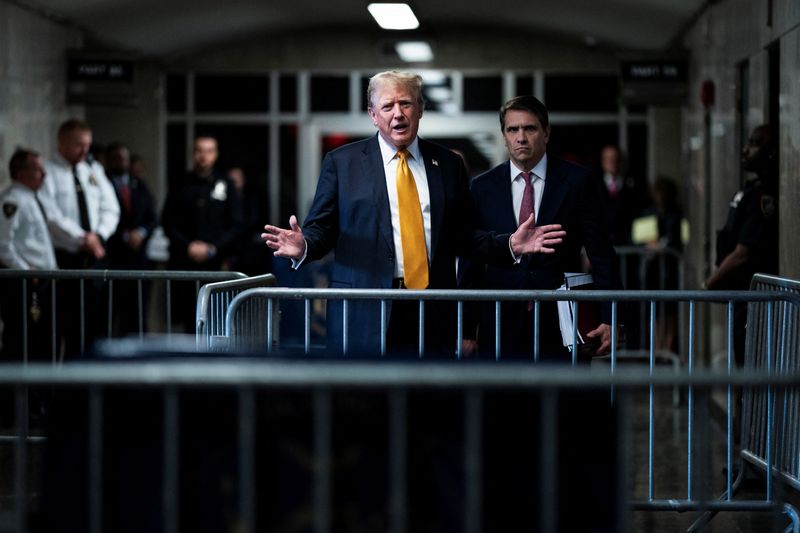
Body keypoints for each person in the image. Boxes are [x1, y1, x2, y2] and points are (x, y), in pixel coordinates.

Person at [262, 71, 564, 357]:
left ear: (420, 109)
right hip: (364, 308)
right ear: (373, 115)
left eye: (406, 103)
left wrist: (510, 244)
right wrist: (305, 246)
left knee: (427, 403)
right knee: (361, 404)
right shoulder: (343, 162)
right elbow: (322, 229)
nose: (398, 113)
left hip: (432, 308)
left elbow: (465, 237)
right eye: (388, 105)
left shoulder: (448, 165)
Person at [460, 95, 621, 361]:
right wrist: (466, 330)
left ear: (546, 133)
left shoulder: (578, 181)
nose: (520, 137)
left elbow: (601, 254)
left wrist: (612, 318)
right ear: (504, 136)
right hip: (501, 322)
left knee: (562, 402)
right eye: (513, 129)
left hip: (562, 323)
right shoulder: (482, 187)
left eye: (529, 128)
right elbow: (472, 260)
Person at [705, 124, 779, 364]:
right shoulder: (751, 191)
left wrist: (709, 284)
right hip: (742, 294)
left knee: (751, 364)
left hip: (754, 296)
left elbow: (741, 255)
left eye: (755, 143)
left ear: (771, 152)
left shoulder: (764, 196)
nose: (746, 150)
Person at [161, 136, 244, 331]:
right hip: (184, 262)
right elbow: (167, 221)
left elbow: (237, 224)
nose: (203, 156)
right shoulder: (180, 183)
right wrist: (188, 246)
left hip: (216, 263)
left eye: (208, 151)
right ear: (193, 153)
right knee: (188, 320)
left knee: (217, 318)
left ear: (215, 154)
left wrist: (213, 247)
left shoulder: (226, 184)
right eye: (199, 150)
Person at [0, 149, 57, 362]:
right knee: (22, 340)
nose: (43, 174)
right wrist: (25, 270)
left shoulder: (32, 198)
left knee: (40, 339)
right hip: (25, 282)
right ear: (21, 173)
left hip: (40, 280)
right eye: (37, 169)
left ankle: (37, 394)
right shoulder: (12, 201)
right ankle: (15, 393)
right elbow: (2, 244)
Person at [39, 118, 120, 269]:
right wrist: (83, 239)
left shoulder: (94, 169)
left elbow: (111, 208)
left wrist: (99, 235)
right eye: (79, 145)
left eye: (87, 145)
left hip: (97, 252)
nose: (85, 151)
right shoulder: (47, 172)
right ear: (62, 142)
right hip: (64, 256)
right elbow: (50, 214)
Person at [105, 143, 158, 334]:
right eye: (116, 158)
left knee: (137, 310)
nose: (121, 162)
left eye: (124, 158)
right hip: (114, 258)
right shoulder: (103, 183)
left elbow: (152, 217)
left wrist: (141, 232)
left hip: (138, 259)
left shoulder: (138, 184)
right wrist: (125, 236)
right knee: (112, 311)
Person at [599, 144, 646, 246]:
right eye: (608, 158)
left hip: (627, 244)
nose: (611, 162)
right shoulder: (594, 185)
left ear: (621, 161)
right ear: (602, 162)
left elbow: (639, 214)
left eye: (614, 158)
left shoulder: (633, 185)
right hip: (601, 246)